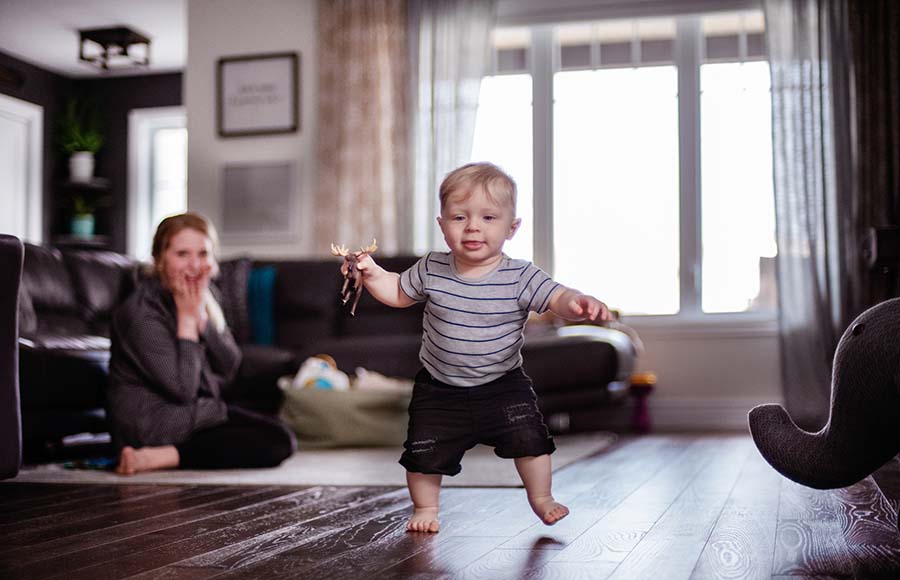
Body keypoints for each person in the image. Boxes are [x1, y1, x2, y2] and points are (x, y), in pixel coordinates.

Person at [342, 162, 611, 532]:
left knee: (531, 441)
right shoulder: (431, 268)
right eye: (459, 217)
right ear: (442, 225)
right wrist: (371, 273)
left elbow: (557, 296)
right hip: (439, 388)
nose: (472, 227)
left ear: (511, 227)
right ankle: (425, 508)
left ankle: (542, 498)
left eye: (488, 217)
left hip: (503, 385)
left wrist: (579, 302)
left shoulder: (520, 275)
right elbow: (398, 293)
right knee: (423, 452)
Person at [108, 212, 296, 475]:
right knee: (275, 441)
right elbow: (182, 389)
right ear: (160, 259)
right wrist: (186, 320)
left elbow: (231, 364)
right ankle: (155, 456)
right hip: (150, 422)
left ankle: (165, 456)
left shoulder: (205, 296)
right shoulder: (140, 314)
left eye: (203, 254)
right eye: (182, 254)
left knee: (277, 428)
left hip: (191, 412)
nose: (194, 265)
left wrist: (202, 318)